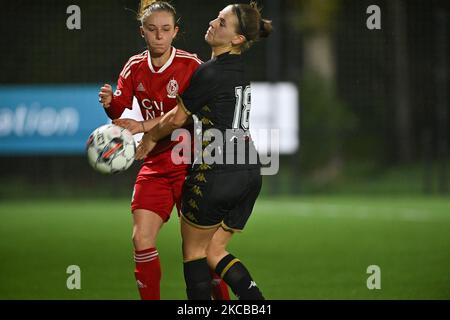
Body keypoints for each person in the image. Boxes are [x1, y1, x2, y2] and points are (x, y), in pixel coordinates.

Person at [131, 2, 272, 300]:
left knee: (194, 252)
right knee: (215, 251)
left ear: (236, 39)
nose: (212, 22)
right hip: (249, 172)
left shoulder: (209, 73)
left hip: (218, 172)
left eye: (222, 22)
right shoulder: (239, 70)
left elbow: (175, 120)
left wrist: (149, 136)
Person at [99, 0, 229, 300]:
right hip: (155, 165)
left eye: (166, 30)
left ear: (175, 32)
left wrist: (145, 128)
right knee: (141, 238)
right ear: (142, 32)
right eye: (152, 29)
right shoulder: (135, 66)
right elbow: (120, 108)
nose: (159, 36)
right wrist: (109, 103)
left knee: (203, 250)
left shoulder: (192, 65)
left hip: (192, 164)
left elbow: (191, 115)